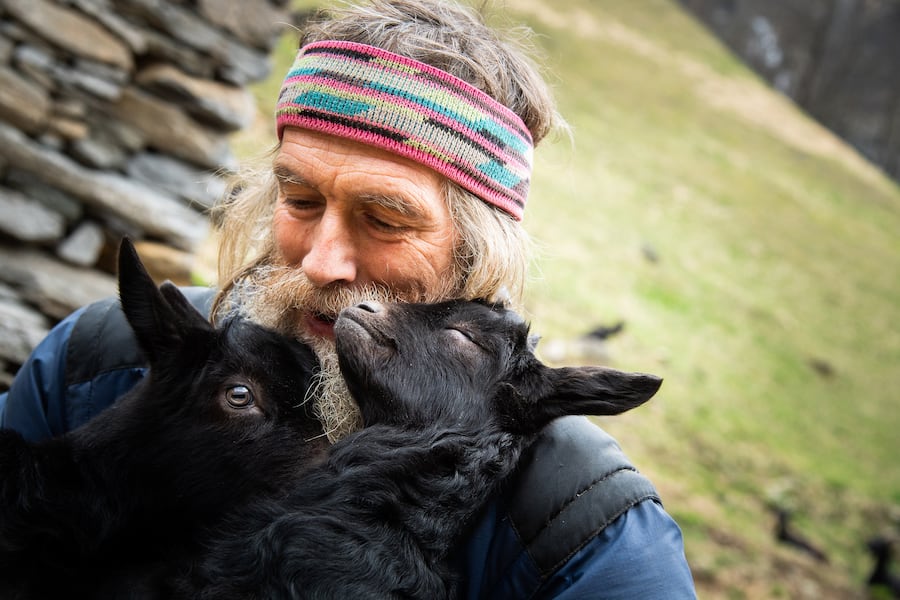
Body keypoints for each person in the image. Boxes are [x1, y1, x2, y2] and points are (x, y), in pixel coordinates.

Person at [0, 0, 696, 597]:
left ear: (477, 257)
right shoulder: (103, 367)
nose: (322, 260)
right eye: (299, 199)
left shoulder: (581, 527)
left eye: (386, 219)